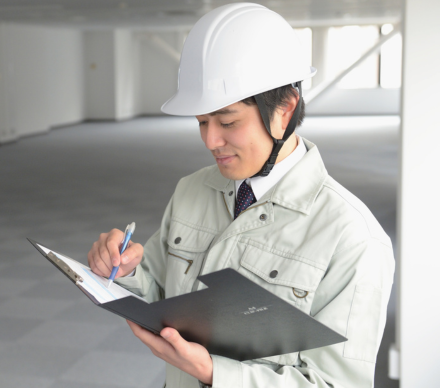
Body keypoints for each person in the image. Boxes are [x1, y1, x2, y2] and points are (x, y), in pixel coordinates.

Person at [87, 3, 394, 387]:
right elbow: (160, 293)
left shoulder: (353, 238)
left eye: (228, 122)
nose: (211, 141)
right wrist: (126, 271)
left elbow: (335, 384)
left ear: (284, 109)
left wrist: (215, 374)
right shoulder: (191, 190)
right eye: (201, 122)